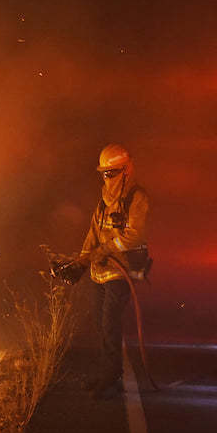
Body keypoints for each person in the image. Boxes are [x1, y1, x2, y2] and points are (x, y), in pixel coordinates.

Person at [78, 144, 150, 400]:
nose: (106, 178)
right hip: (100, 271)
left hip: (121, 271)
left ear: (125, 171)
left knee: (110, 322)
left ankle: (111, 375)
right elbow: (93, 231)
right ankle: (105, 370)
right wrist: (83, 259)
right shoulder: (104, 201)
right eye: (104, 173)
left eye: (111, 173)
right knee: (99, 323)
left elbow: (133, 235)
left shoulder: (136, 198)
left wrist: (106, 249)